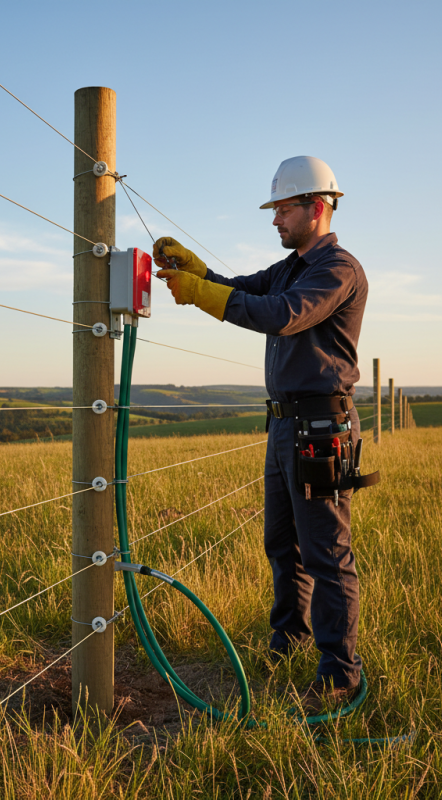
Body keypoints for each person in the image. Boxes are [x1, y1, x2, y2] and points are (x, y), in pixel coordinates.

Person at [153, 156, 371, 713]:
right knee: (283, 543)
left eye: (282, 209)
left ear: (316, 208)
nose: (275, 219)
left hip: (320, 426)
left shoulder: (337, 269)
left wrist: (199, 293)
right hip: (285, 425)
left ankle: (339, 672)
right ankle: (288, 639)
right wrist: (198, 271)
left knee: (325, 551)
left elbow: (282, 314)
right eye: (274, 209)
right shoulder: (292, 264)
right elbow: (242, 288)